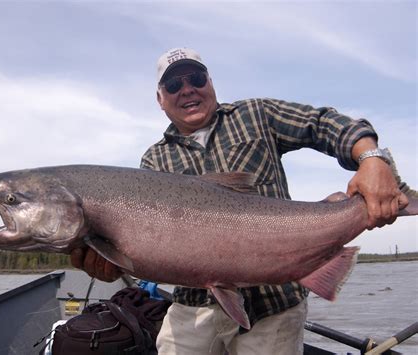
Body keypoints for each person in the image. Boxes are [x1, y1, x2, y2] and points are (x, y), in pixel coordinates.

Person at [71, 48, 407, 354]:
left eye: (196, 78)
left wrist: (372, 159)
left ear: (211, 84)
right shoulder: (153, 163)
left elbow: (321, 123)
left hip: (275, 307)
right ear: (161, 99)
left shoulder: (256, 115)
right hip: (193, 306)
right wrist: (108, 262)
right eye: (173, 85)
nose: (187, 89)